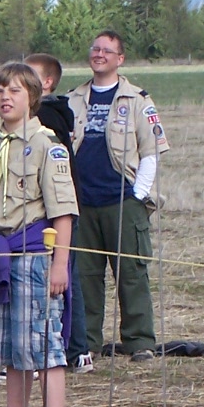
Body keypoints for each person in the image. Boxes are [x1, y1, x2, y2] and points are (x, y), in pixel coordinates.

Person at [0, 62, 78, 407]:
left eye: (14, 91)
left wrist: (60, 265)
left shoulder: (48, 147)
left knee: (44, 346)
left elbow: (63, 211)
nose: (5, 97)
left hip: (35, 255)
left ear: (32, 97)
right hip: (2, 255)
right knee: (13, 349)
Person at [65, 31, 170, 363]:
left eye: (107, 51)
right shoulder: (73, 98)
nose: (99, 54)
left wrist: (137, 195)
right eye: (95, 48)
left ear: (120, 59)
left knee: (132, 274)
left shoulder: (137, 100)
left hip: (123, 200)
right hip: (82, 203)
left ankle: (140, 342)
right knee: (85, 278)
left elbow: (151, 152)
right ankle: (88, 343)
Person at [26, 52, 90, 374]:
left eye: (29, 74)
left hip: (55, 207)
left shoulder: (45, 118)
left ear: (47, 83)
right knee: (70, 274)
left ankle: (68, 348)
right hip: (65, 203)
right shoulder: (61, 113)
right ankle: (79, 349)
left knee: (57, 275)